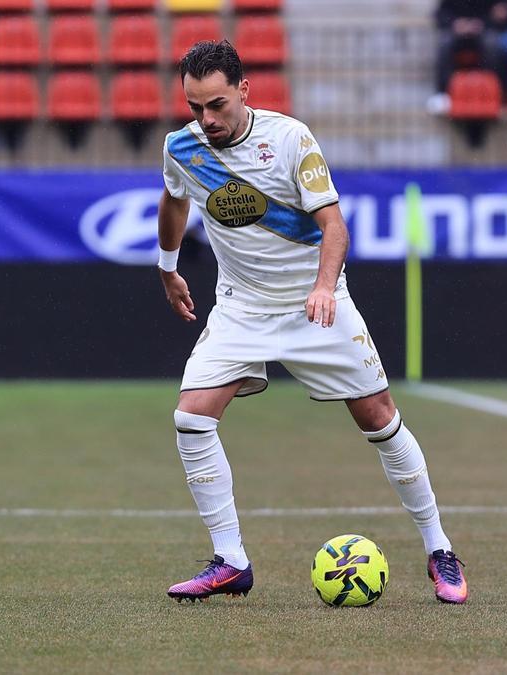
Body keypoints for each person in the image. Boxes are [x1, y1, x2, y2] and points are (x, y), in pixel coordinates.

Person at [157, 40, 468, 605]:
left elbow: (334, 226)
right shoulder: (182, 147)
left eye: (217, 105)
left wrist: (324, 287)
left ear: (244, 90)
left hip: (314, 305)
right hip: (241, 308)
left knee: (380, 420)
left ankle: (439, 548)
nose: (207, 119)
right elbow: (175, 200)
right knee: (191, 419)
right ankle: (231, 561)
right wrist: (168, 267)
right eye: (196, 107)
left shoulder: (290, 139)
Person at [429, 0, 505, 114]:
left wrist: (481, 24)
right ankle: (443, 93)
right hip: (456, 33)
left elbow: (497, 14)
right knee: (444, 43)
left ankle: (492, 90)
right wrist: (455, 24)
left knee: (492, 43)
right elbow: (440, 14)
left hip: (482, 31)